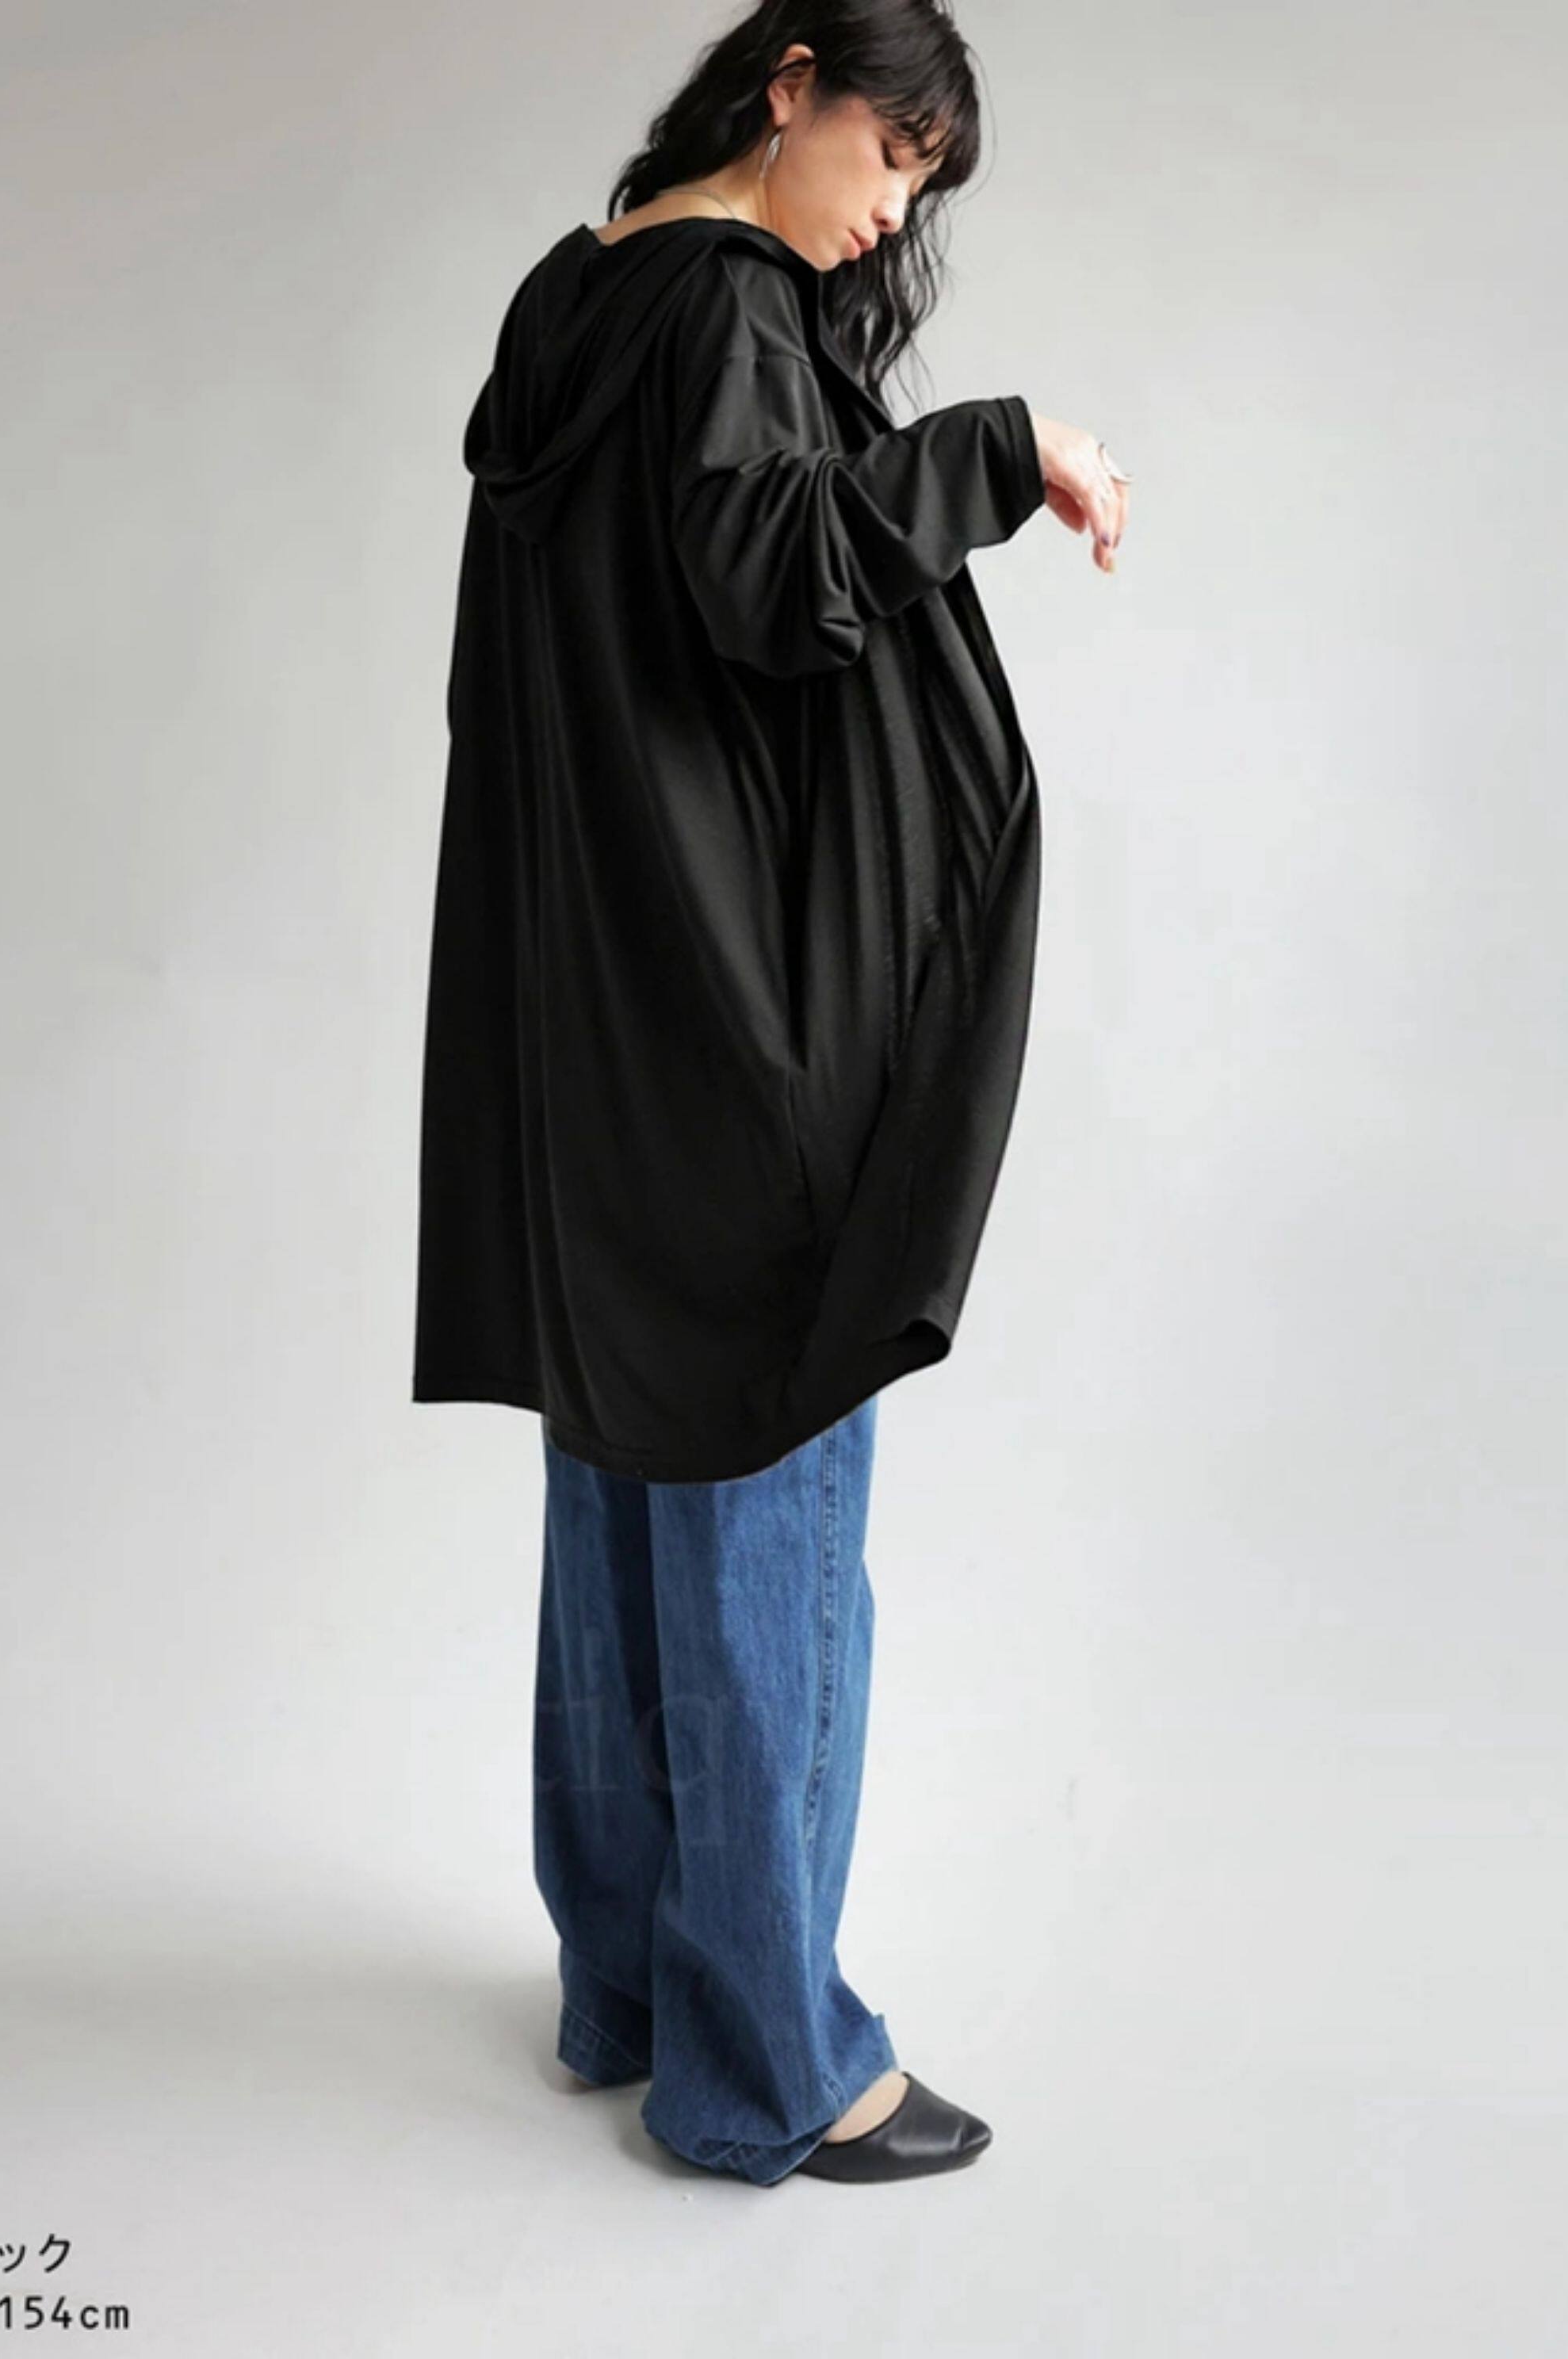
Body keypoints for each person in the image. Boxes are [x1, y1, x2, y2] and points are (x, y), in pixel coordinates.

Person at [414, 0, 1129, 2185]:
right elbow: (776, 578)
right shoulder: (724, 306)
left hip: (595, 1032)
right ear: (793, 80)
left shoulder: (573, 298)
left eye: (924, 188)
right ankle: (773, 2066)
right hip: (736, 1042)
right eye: (897, 156)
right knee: (768, 1530)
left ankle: (629, 1995)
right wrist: (1002, 450)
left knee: (626, 1521)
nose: (892, 214)